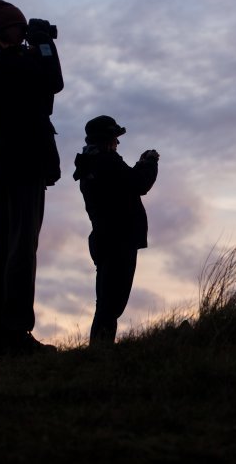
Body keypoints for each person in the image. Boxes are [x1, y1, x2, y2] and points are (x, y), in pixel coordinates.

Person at [0, 0, 63, 362]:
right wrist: (43, 42)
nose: (24, 34)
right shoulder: (6, 62)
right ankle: (15, 334)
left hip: (3, 165)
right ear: (5, 30)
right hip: (21, 164)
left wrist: (37, 42)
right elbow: (54, 80)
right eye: (20, 28)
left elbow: (41, 93)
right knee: (21, 248)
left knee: (5, 247)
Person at [73, 116, 159, 346]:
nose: (117, 143)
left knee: (108, 302)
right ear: (106, 139)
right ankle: (100, 352)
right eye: (114, 138)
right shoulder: (105, 162)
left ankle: (100, 351)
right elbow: (138, 183)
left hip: (106, 239)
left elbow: (128, 182)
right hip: (118, 240)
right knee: (111, 303)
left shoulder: (92, 163)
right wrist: (148, 163)